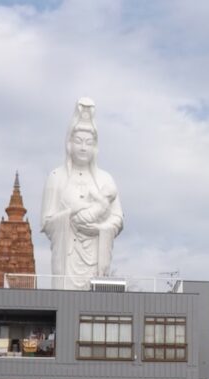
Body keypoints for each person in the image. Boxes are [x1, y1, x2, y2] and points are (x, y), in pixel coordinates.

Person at [41, 97, 124, 289]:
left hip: (95, 257)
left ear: (95, 147)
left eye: (88, 142)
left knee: (95, 302)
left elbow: (118, 219)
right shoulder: (56, 177)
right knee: (64, 302)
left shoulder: (106, 179)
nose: (83, 147)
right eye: (78, 141)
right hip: (66, 258)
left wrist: (101, 228)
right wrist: (71, 215)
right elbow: (46, 221)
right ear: (69, 143)